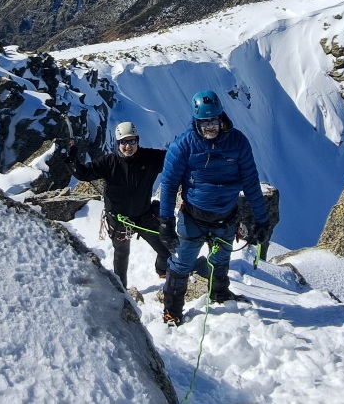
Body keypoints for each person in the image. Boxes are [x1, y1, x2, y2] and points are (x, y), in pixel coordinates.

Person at [157, 90, 271, 326]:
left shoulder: (238, 142)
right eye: (205, 122)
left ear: (222, 118)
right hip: (193, 219)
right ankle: (172, 310)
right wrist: (165, 221)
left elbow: (250, 182)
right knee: (182, 264)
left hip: (225, 218)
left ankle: (219, 294)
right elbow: (168, 185)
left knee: (220, 259)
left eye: (214, 121)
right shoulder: (183, 146)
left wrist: (262, 219)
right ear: (196, 121)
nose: (210, 128)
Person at [70, 122, 170, 289]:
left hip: (143, 216)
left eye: (131, 141)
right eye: (123, 142)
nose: (128, 146)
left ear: (137, 141)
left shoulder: (151, 158)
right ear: (118, 144)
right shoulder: (108, 163)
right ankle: (121, 289)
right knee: (121, 255)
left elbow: (175, 157)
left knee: (165, 250)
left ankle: (162, 270)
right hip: (119, 219)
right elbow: (82, 173)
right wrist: (71, 158)